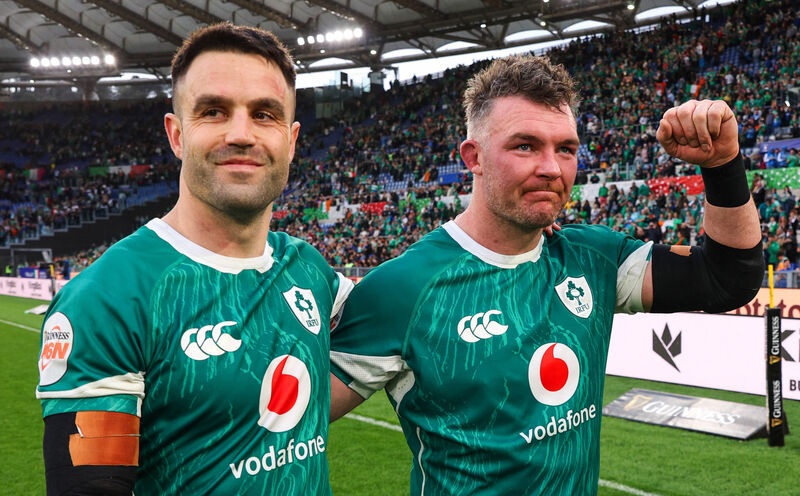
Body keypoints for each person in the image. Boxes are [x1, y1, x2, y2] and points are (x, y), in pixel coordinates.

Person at [329, 55, 763, 495]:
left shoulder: (592, 257)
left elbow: (727, 279)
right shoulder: (403, 289)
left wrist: (723, 163)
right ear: (473, 157)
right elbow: (281, 426)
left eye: (566, 149)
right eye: (525, 146)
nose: (552, 168)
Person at [36, 23, 352, 495]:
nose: (241, 134)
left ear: (292, 139)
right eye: (213, 111)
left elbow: (393, 325)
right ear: (176, 134)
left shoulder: (308, 267)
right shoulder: (107, 299)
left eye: (264, 114)